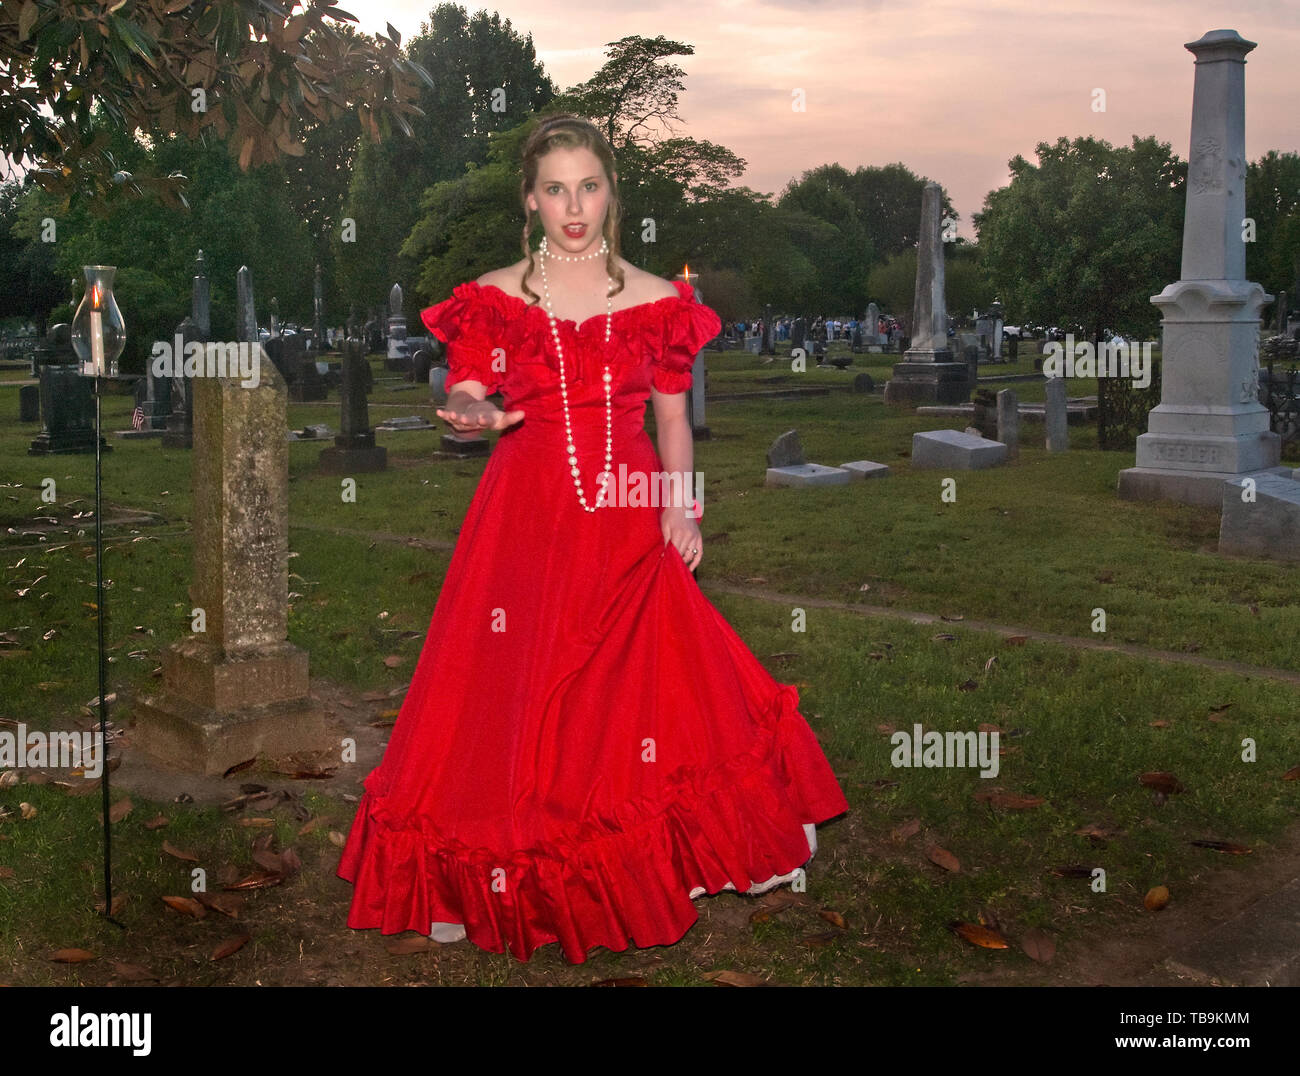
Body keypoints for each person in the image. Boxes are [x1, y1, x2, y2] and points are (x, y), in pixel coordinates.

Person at [336, 113, 848, 964]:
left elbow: (674, 417)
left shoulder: (657, 301)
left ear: (613, 192)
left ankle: (654, 854)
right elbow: (465, 391)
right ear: (530, 201)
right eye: (554, 189)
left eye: (590, 186)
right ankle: (514, 862)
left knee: (648, 688)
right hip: (523, 521)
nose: (574, 206)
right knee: (514, 688)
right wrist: (473, 412)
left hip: (628, 513)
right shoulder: (494, 298)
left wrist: (680, 507)